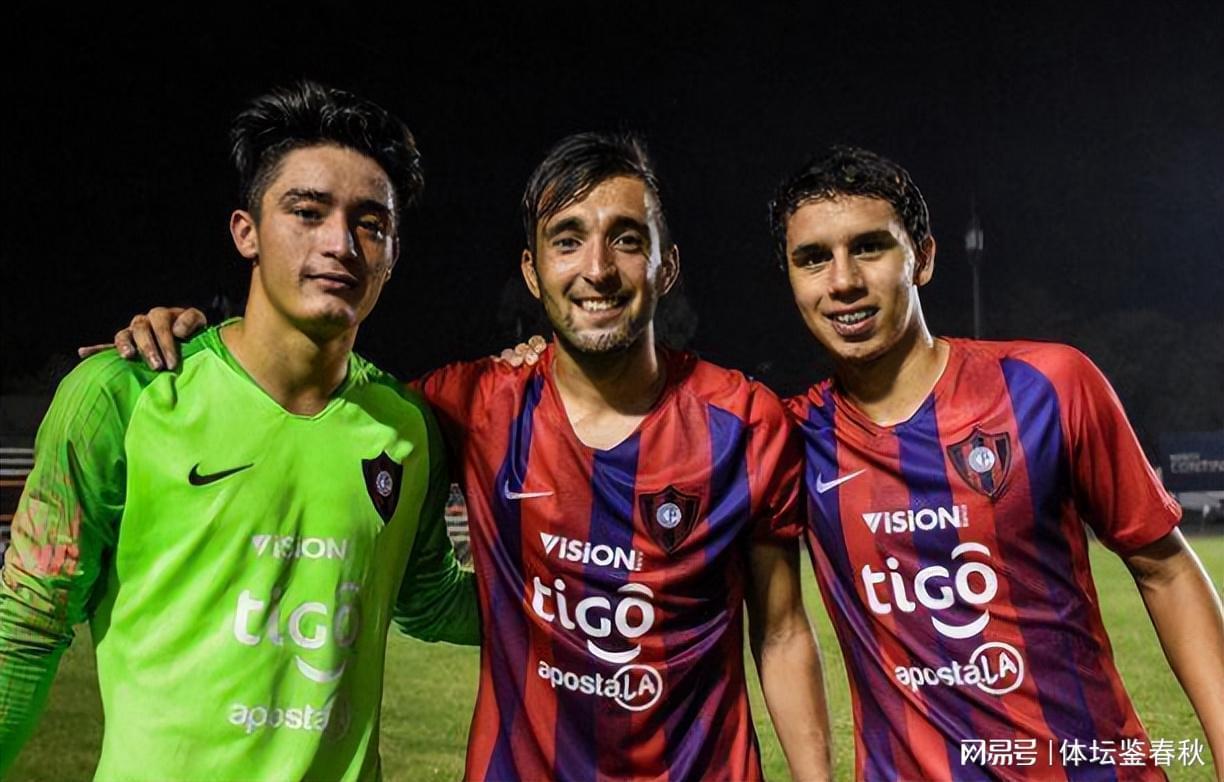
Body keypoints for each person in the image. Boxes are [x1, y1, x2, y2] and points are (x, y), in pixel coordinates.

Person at [86, 132, 834, 782]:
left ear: (665, 267)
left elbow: (780, 631)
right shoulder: (468, 406)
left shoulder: (745, 422)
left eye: (628, 239)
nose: (598, 268)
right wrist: (199, 345)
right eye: (567, 240)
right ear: (533, 272)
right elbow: (315, 408)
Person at [0, 81, 479, 781]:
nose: (340, 243)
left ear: (392, 253)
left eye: (370, 224)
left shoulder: (407, 429)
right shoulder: (123, 396)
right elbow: (28, 623)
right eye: (307, 212)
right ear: (245, 231)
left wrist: (604, 599)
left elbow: (430, 600)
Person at [772, 146, 1224, 780]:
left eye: (870, 247)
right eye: (814, 258)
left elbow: (1166, 572)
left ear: (922, 257)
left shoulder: (1047, 386)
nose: (843, 280)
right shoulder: (789, 439)